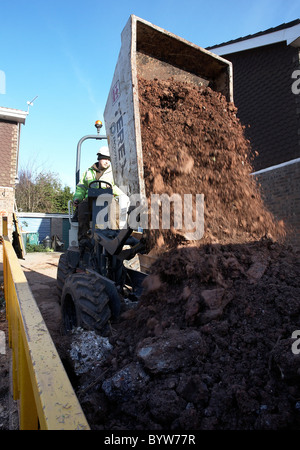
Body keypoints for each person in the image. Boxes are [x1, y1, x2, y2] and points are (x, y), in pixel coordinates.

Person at [73, 146, 129, 250]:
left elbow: (118, 187)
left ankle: (114, 237)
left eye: (109, 159)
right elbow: (81, 188)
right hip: (90, 200)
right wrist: (77, 198)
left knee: (114, 207)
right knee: (82, 207)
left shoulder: (114, 172)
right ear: (99, 158)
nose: (107, 162)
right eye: (105, 159)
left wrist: (115, 191)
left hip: (107, 200)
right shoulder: (88, 172)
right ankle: (83, 239)